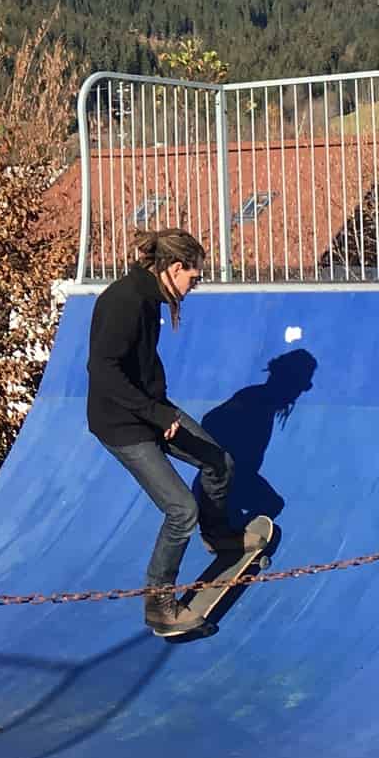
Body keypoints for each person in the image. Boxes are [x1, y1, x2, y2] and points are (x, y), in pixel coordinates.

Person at [87, 227, 247, 635]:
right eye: (194, 277)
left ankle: (217, 533)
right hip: (124, 425)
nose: (195, 285)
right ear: (175, 268)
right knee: (180, 510)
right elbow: (102, 371)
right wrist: (154, 414)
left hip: (152, 411)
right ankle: (159, 603)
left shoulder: (150, 296)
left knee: (219, 462)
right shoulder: (125, 301)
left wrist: (157, 408)